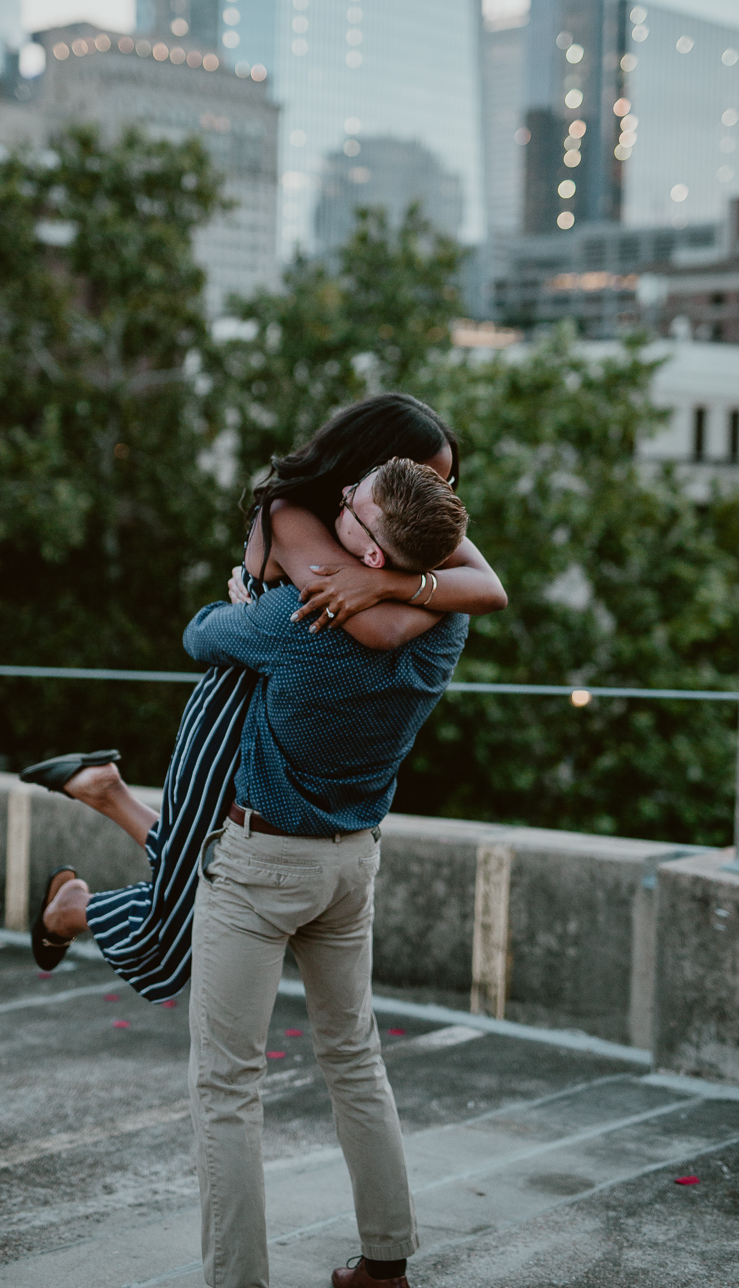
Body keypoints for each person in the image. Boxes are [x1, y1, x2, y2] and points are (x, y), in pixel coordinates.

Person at [24, 394, 506, 998]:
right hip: (239, 700)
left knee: (198, 868)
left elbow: (490, 588)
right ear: (369, 470)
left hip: (289, 691)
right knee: (180, 910)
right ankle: (70, 907)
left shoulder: (397, 526)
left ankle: (104, 795)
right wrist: (415, 589)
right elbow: (374, 631)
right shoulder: (292, 511)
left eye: (445, 482)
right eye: (423, 476)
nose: (434, 498)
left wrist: (384, 578)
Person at [181, 457, 473, 1288]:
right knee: (354, 1059)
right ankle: (387, 1266)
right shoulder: (445, 625)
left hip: (261, 865)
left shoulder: (296, 618)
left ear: (375, 556)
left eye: (354, 506)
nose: (338, 505)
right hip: (351, 866)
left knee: (228, 1085)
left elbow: (199, 634)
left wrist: (243, 595)